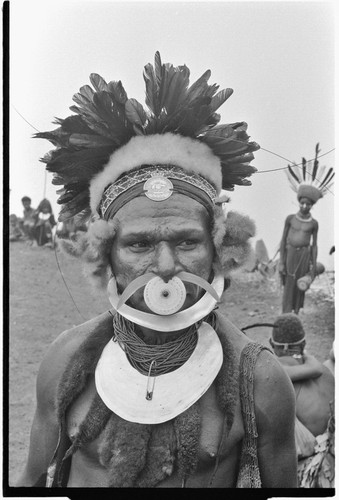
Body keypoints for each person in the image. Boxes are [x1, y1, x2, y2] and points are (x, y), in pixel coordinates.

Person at [17, 52, 297, 489]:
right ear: (106, 254)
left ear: (219, 250)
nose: (166, 268)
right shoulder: (65, 360)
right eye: (139, 245)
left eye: (187, 241)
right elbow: (31, 485)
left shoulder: (260, 381)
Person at [269, 313, 334, 486]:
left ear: (272, 345)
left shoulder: (274, 375)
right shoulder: (325, 371)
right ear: (304, 344)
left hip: (310, 471)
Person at [279, 144, 334, 314]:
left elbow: (314, 245)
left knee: (300, 284)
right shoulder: (290, 219)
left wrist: (312, 266)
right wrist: (281, 261)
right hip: (290, 255)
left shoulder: (314, 223)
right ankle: (286, 312)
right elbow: (283, 240)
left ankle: (296, 311)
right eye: (302, 202)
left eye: (308, 204)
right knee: (288, 283)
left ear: (311, 205)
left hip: (304, 256)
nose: (304, 206)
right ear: (299, 201)